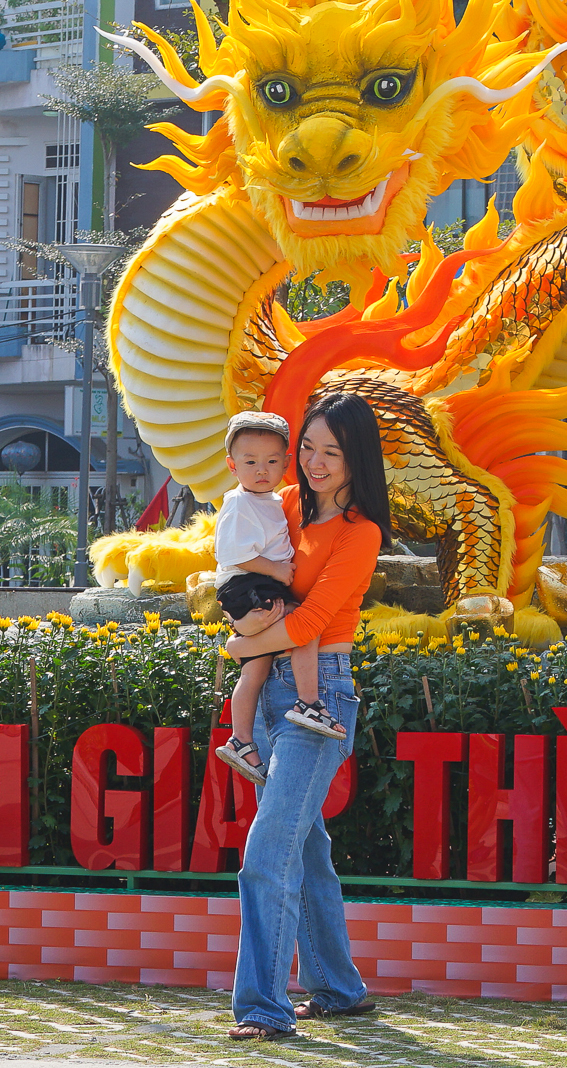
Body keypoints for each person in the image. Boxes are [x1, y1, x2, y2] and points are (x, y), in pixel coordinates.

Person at [223, 391, 386, 1041]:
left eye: (332, 452)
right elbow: (242, 561)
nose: (315, 463)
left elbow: (315, 618)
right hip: (270, 692)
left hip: (322, 694)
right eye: (309, 448)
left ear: (355, 460)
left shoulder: (360, 531)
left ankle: (263, 1007)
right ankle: (339, 989)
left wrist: (242, 645)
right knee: (307, 846)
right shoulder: (283, 502)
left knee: (269, 850)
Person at [210, 412, 344, 790]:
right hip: (248, 581)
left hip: (250, 584)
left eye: (271, 462)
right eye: (250, 463)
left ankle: (240, 739)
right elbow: (231, 552)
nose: (261, 470)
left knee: (255, 668)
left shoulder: (269, 499)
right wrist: (274, 570)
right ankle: (308, 702)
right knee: (304, 622)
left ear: (286, 463)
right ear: (232, 466)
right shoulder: (240, 504)